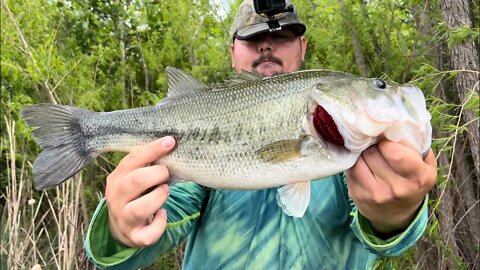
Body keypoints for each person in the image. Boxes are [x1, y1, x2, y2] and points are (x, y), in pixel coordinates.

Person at [85, 0, 437, 269]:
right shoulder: (201, 157)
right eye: (253, 39)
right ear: (232, 50)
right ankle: (87, 132)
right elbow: (159, 224)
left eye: (282, 36)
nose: (266, 47)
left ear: (302, 48)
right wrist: (120, 228)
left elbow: (384, 239)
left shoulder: (358, 151)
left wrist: (396, 215)